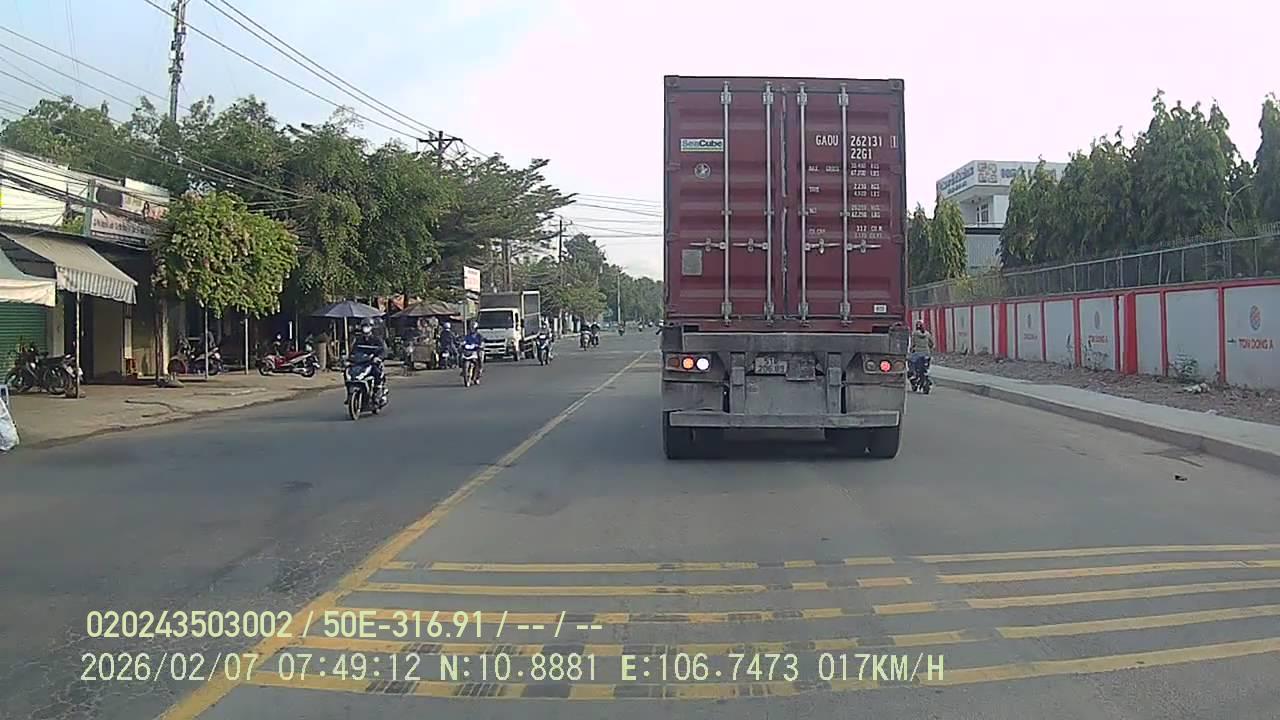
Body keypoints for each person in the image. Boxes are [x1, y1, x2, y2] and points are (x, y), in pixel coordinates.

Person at [351, 320, 387, 392]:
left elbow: (383, 351)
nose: (365, 328)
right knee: (348, 370)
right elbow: (354, 351)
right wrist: (350, 358)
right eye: (364, 325)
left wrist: (378, 358)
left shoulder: (377, 339)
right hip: (361, 362)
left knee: (376, 370)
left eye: (367, 325)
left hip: (373, 362)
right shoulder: (358, 340)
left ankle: (378, 388)